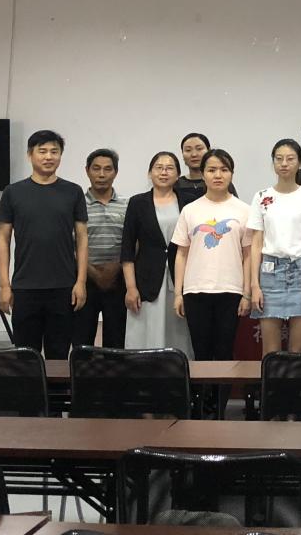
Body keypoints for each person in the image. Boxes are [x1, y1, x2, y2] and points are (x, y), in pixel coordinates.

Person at [0, 130, 88, 359]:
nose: (48, 157)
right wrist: (5, 285)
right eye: (42, 151)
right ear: (30, 155)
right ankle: (30, 386)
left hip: (64, 287)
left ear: (60, 156)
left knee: (59, 355)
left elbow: (82, 238)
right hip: (25, 287)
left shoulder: (73, 191)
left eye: (54, 152)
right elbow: (3, 239)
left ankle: (56, 386)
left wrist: (81, 282)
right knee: (26, 357)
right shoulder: (13, 192)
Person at [172, 149, 251, 415]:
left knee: (224, 351)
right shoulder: (190, 210)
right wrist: (178, 293)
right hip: (196, 290)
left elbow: (249, 255)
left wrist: (247, 293)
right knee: (201, 352)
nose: (218, 175)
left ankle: (220, 409)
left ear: (232, 174)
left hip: (231, 290)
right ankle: (201, 407)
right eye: (212, 170)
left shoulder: (244, 210)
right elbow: (181, 253)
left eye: (224, 170)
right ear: (203, 174)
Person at [248, 139, 301, 356]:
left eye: (290, 159)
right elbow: (256, 243)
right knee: (270, 351)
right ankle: (271, 381)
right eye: (279, 159)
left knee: (298, 350)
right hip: (270, 272)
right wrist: (255, 285)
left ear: (299, 162)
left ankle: (295, 381)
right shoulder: (262, 197)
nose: (284, 163)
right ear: (273, 162)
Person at [121, 152, 193, 354]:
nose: (164, 172)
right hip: (146, 279)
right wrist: (130, 287)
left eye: (169, 168)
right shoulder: (137, 203)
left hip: (180, 278)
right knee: (147, 333)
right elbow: (127, 248)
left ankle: (178, 370)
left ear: (178, 175)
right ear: (149, 173)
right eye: (158, 168)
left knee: (179, 332)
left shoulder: (188, 202)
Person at [72, 148, 128, 349]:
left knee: (116, 342)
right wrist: (91, 271)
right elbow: (68, 243)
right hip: (83, 279)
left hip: (117, 279)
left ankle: (112, 371)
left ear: (116, 172)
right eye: (96, 169)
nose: (101, 174)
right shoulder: (75, 205)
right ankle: (81, 370)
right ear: (87, 171)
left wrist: (117, 267)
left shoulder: (128, 205)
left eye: (107, 169)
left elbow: (133, 242)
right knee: (82, 341)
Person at [175, 132, 237, 205]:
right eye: (188, 150)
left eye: (199, 149)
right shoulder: (177, 184)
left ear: (209, 150)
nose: (194, 154)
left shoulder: (220, 182)